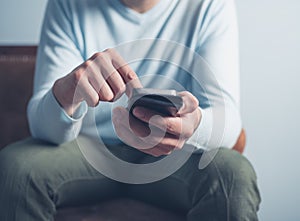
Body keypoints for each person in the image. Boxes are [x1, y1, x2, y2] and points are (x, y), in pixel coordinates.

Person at [0, 0, 261, 220]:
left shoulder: (208, 5)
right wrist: (67, 93)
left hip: (174, 157)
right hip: (86, 148)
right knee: (16, 169)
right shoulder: (68, 3)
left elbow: (227, 117)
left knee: (233, 176)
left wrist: (192, 126)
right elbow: (43, 130)